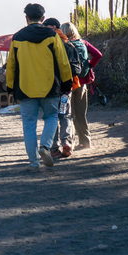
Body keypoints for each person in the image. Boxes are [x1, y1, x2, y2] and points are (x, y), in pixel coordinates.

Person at [7, 4, 73, 171]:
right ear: (43, 19)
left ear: (26, 18)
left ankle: (34, 163)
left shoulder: (17, 38)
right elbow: (63, 62)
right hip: (50, 87)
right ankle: (45, 146)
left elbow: (11, 66)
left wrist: (9, 88)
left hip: (25, 88)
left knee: (29, 125)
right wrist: (67, 83)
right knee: (51, 117)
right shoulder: (52, 36)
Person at [60, 22, 103, 151]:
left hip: (68, 83)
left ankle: (70, 142)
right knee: (81, 114)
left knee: (68, 114)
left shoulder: (62, 45)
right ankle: (85, 141)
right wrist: (89, 65)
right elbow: (98, 55)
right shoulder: (83, 43)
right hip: (82, 82)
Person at [43, 18, 78, 159]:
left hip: (49, 88)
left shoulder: (45, 44)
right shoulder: (68, 44)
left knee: (51, 117)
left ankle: (54, 147)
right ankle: (67, 142)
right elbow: (75, 67)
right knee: (65, 116)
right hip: (65, 88)